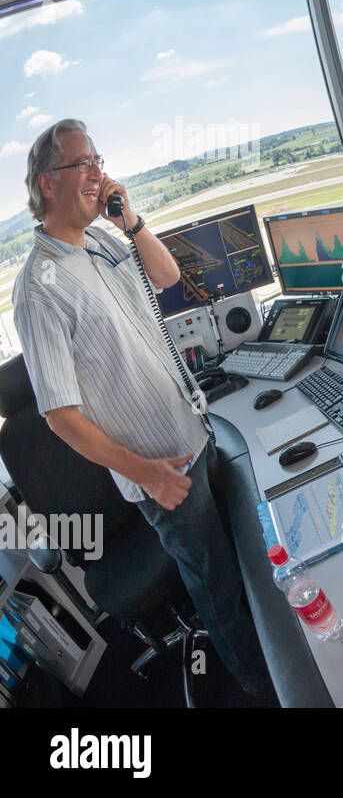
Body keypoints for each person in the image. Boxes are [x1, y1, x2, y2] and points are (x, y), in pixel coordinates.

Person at [12, 118, 272, 699]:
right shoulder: (38, 287)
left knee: (243, 558)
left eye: (98, 160)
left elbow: (168, 275)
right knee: (218, 585)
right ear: (47, 184)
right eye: (84, 164)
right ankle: (262, 686)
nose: (98, 173)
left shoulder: (105, 241)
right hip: (160, 469)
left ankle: (272, 654)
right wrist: (146, 474)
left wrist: (130, 219)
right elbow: (60, 415)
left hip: (192, 429)